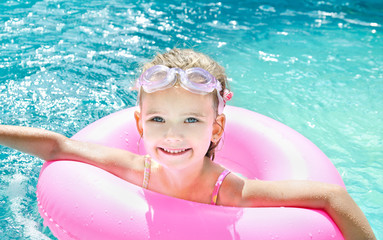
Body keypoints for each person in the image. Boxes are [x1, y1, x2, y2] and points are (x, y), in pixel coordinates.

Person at [0, 48, 376, 240]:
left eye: (191, 120)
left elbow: (332, 197)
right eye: (158, 120)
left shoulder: (232, 191)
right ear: (139, 125)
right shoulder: (136, 170)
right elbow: (58, 147)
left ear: (215, 129)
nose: (173, 136)